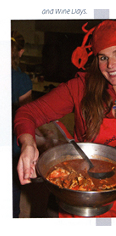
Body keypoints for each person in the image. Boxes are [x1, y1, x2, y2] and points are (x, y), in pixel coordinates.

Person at [14, 20, 116, 217]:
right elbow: (27, 113)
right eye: (103, 57)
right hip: (83, 197)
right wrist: (28, 143)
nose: (111, 65)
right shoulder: (80, 88)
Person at [12, 31, 32, 218]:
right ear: (21, 52)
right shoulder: (22, 80)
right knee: (11, 201)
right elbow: (26, 116)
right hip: (11, 147)